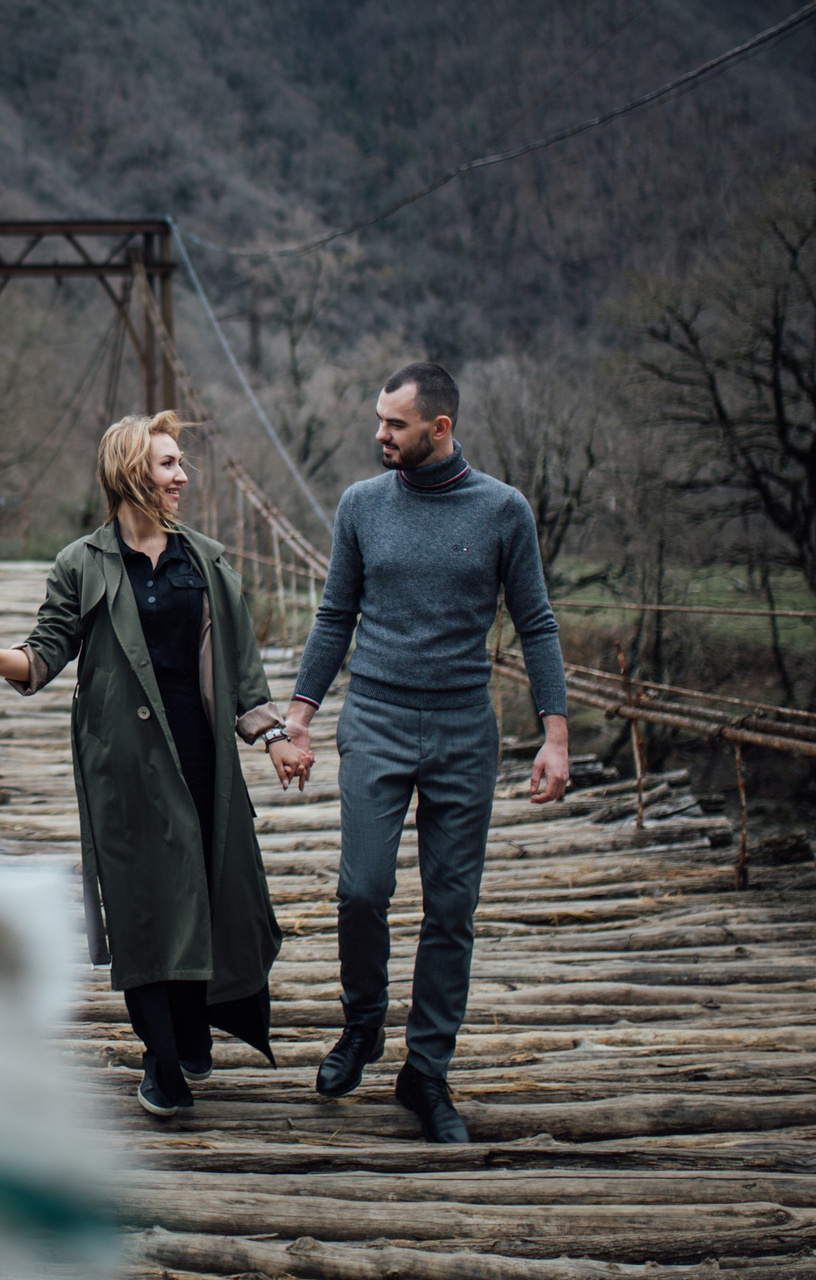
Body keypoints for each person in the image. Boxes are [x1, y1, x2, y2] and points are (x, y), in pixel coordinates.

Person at [0, 410, 303, 1117]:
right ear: (133, 471)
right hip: (125, 766)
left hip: (202, 757)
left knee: (209, 892)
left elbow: (243, 666)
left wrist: (273, 734)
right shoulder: (82, 562)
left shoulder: (207, 559)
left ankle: (197, 1027)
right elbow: (42, 656)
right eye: (168, 464)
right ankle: (162, 1062)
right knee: (144, 909)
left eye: (180, 463)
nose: (182, 476)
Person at [271, 361, 571, 1143]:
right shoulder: (361, 505)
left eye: (394, 424)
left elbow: (536, 623)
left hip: (463, 728)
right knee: (361, 888)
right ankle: (363, 1022)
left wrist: (555, 734)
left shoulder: (505, 510)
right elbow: (335, 614)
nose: (379, 434)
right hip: (373, 715)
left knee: (453, 908)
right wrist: (299, 715)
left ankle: (426, 1071)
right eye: (379, 419)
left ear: (439, 428)